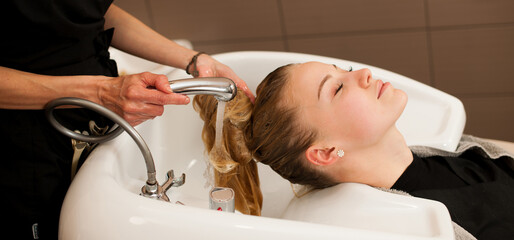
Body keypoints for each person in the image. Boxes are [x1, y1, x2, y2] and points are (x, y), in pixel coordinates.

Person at [0, 1, 255, 239]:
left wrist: (193, 60)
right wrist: (100, 91)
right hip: (26, 147)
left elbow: (90, 11)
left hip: (98, 119)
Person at [193, 62, 514, 239]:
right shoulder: (444, 223)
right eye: (337, 87)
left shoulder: (453, 154)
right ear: (326, 152)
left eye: (342, 70)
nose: (364, 73)